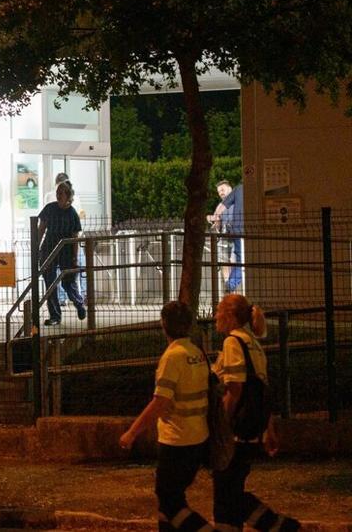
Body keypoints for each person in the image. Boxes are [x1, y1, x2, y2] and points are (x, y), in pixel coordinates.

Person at [119, 301, 211, 532]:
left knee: (169, 502)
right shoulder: (196, 353)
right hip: (197, 435)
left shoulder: (173, 357)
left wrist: (132, 433)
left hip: (177, 439)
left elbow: (160, 402)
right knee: (170, 500)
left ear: (163, 324)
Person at [211, 294, 300, 532]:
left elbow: (236, 389)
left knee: (226, 493)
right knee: (230, 490)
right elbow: (261, 390)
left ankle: (281, 526)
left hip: (236, 433)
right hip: (252, 431)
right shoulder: (254, 344)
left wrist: (221, 427)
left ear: (230, 316)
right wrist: (268, 429)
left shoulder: (233, 342)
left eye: (219, 310)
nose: (215, 315)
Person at [37, 181, 84, 325]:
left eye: (61, 193)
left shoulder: (73, 214)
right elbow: (41, 229)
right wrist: (36, 248)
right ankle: (55, 316)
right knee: (50, 285)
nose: (58, 195)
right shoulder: (49, 209)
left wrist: (75, 257)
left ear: (68, 196)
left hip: (66, 252)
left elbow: (75, 238)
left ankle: (78, 303)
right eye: (57, 192)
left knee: (68, 283)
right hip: (48, 250)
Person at [212, 180, 245, 294]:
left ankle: (230, 285)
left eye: (222, 190)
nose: (220, 193)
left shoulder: (236, 194)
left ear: (230, 188)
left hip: (237, 234)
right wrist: (217, 222)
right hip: (227, 237)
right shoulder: (220, 206)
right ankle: (229, 284)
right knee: (225, 261)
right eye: (218, 191)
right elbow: (218, 222)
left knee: (238, 260)